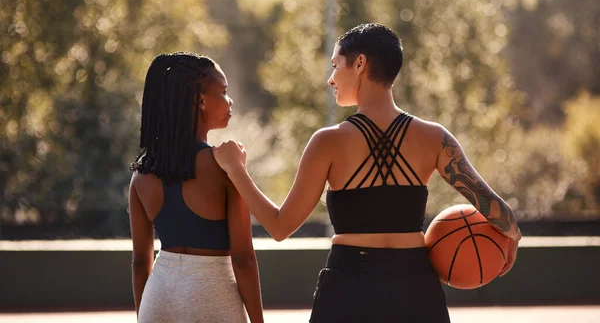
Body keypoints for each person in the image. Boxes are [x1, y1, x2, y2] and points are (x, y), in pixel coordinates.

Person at [213, 23, 522, 322]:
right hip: (415, 289)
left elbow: (280, 227)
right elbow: (498, 212)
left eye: (335, 66)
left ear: (360, 63)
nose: (331, 79)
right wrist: (511, 240)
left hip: (349, 286)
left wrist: (236, 169)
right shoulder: (435, 138)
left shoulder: (327, 141)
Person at [128, 52, 264, 323]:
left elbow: (140, 263)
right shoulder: (225, 167)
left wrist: (145, 314)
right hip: (212, 296)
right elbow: (243, 259)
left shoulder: (142, 174)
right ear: (200, 101)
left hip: (158, 297)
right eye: (223, 92)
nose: (230, 100)